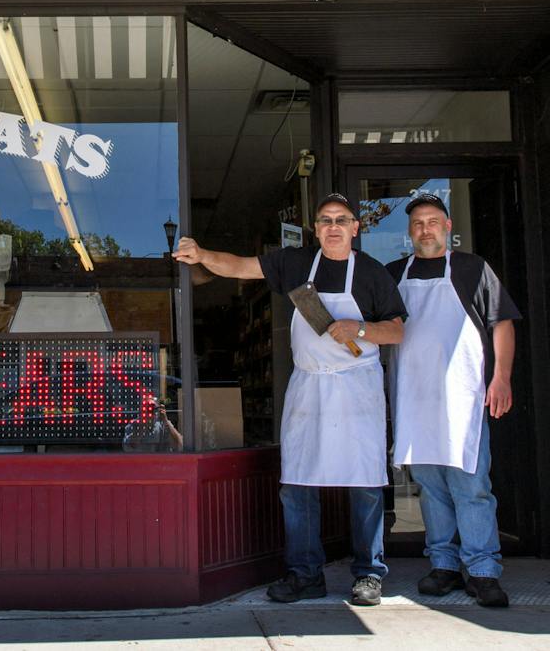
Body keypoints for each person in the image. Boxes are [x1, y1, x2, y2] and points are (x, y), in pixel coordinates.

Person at [174, 194, 406, 607]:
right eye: (325, 220)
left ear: (355, 227)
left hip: (357, 387)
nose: (333, 227)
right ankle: (304, 573)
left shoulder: (372, 274)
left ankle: (369, 573)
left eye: (341, 220)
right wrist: (202, 254)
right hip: (308, 387)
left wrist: (361, 329)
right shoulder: (296, 263)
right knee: (297, 483)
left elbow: (397, 331)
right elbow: (240, 267)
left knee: (366, 484)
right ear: (316, 229)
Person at [386, 192, 521, 609]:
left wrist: (501, 378)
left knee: (472, 485)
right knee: (430, 488)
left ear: (447, 227)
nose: (424, 229)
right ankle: (443, 565)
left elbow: (501, 323)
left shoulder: (472, 268)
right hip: (414, 397)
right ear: (410, 234)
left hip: (464, 397)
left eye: (432, 222)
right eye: (417, 224)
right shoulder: (394, 273)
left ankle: (483, 570)